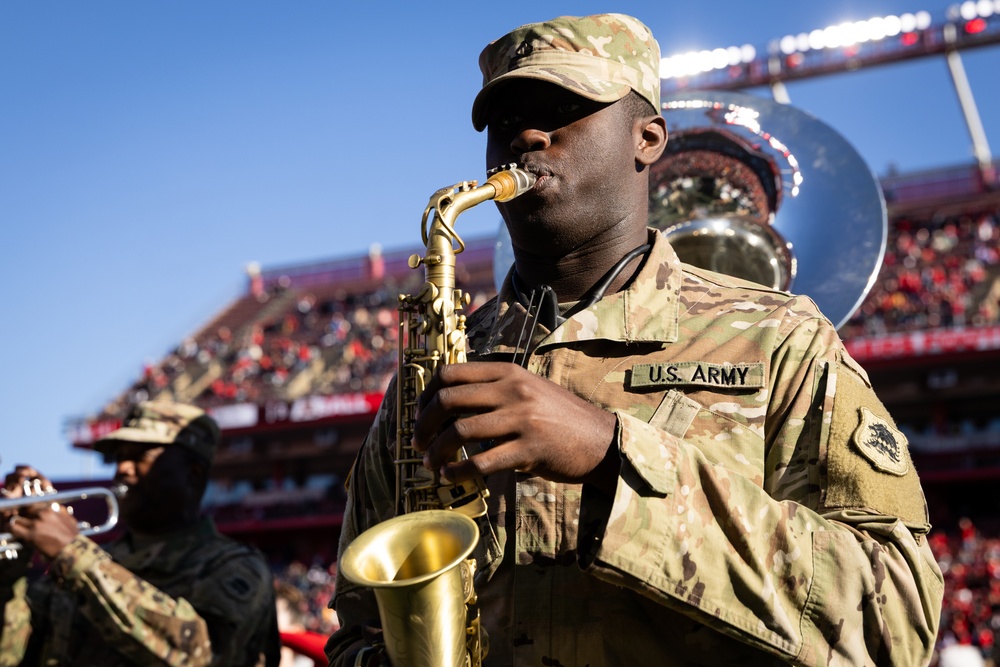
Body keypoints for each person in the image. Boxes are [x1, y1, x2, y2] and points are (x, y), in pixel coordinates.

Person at [327, 13, 944, 666]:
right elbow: (356, 632)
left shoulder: (784, 341)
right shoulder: (432, 382)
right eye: (505, 118)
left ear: (647, 138)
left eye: (566, 108)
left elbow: (898, 621)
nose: (528, 133)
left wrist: (612, 462)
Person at [0, 400, 281, 666]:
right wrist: (8, 573)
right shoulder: (88, 563)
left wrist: (73, 553)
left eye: (141, 456)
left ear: (193, 474)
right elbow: (10, 656)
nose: (122, 468)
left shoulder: (237, 567)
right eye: (119, 458)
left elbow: (202, 655)